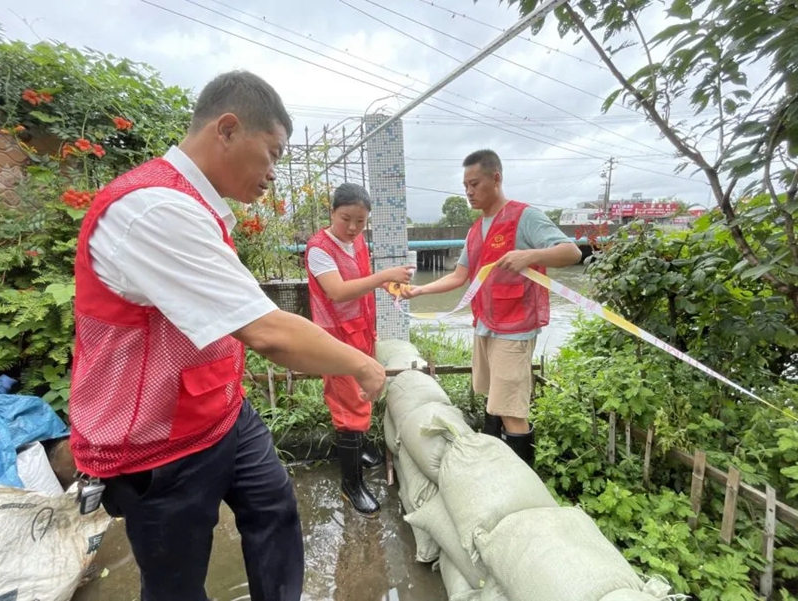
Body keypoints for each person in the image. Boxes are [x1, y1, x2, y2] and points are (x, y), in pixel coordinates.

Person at [68, 70, 386, 601]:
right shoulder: (155, 209)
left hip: (221, 411)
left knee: (275, 509)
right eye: (274, 153)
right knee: (176, 581)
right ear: (229, 129)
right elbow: (266, 330)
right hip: (158, 442)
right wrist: (361, 364)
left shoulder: (196, 207)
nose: (274, 174)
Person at [403, 149, 581, 465]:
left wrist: (530, 256)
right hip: (485, 325)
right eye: (465, 186)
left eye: (474, 184)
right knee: (493, 399)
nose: (469, 192)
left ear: (496, 179)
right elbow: (460, 276)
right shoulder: (475, 231)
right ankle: (494, 462)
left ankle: (523, 479)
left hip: (515, 329)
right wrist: (419, 290)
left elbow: (571, 252)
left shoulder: (523, 217)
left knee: (512, 409)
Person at [305, 183, 413, 517]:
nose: (353, 228)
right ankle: (351, 485)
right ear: (332, 213)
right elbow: (337, 292)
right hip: (335, 338)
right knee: (347, 403)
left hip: (360, 329)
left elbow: (361, 280)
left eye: (361, 221)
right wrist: (383, 275)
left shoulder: (358, 242)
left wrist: (387, 285)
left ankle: (361, 447)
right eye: (346, 219)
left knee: (365, 393)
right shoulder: (318, 248)